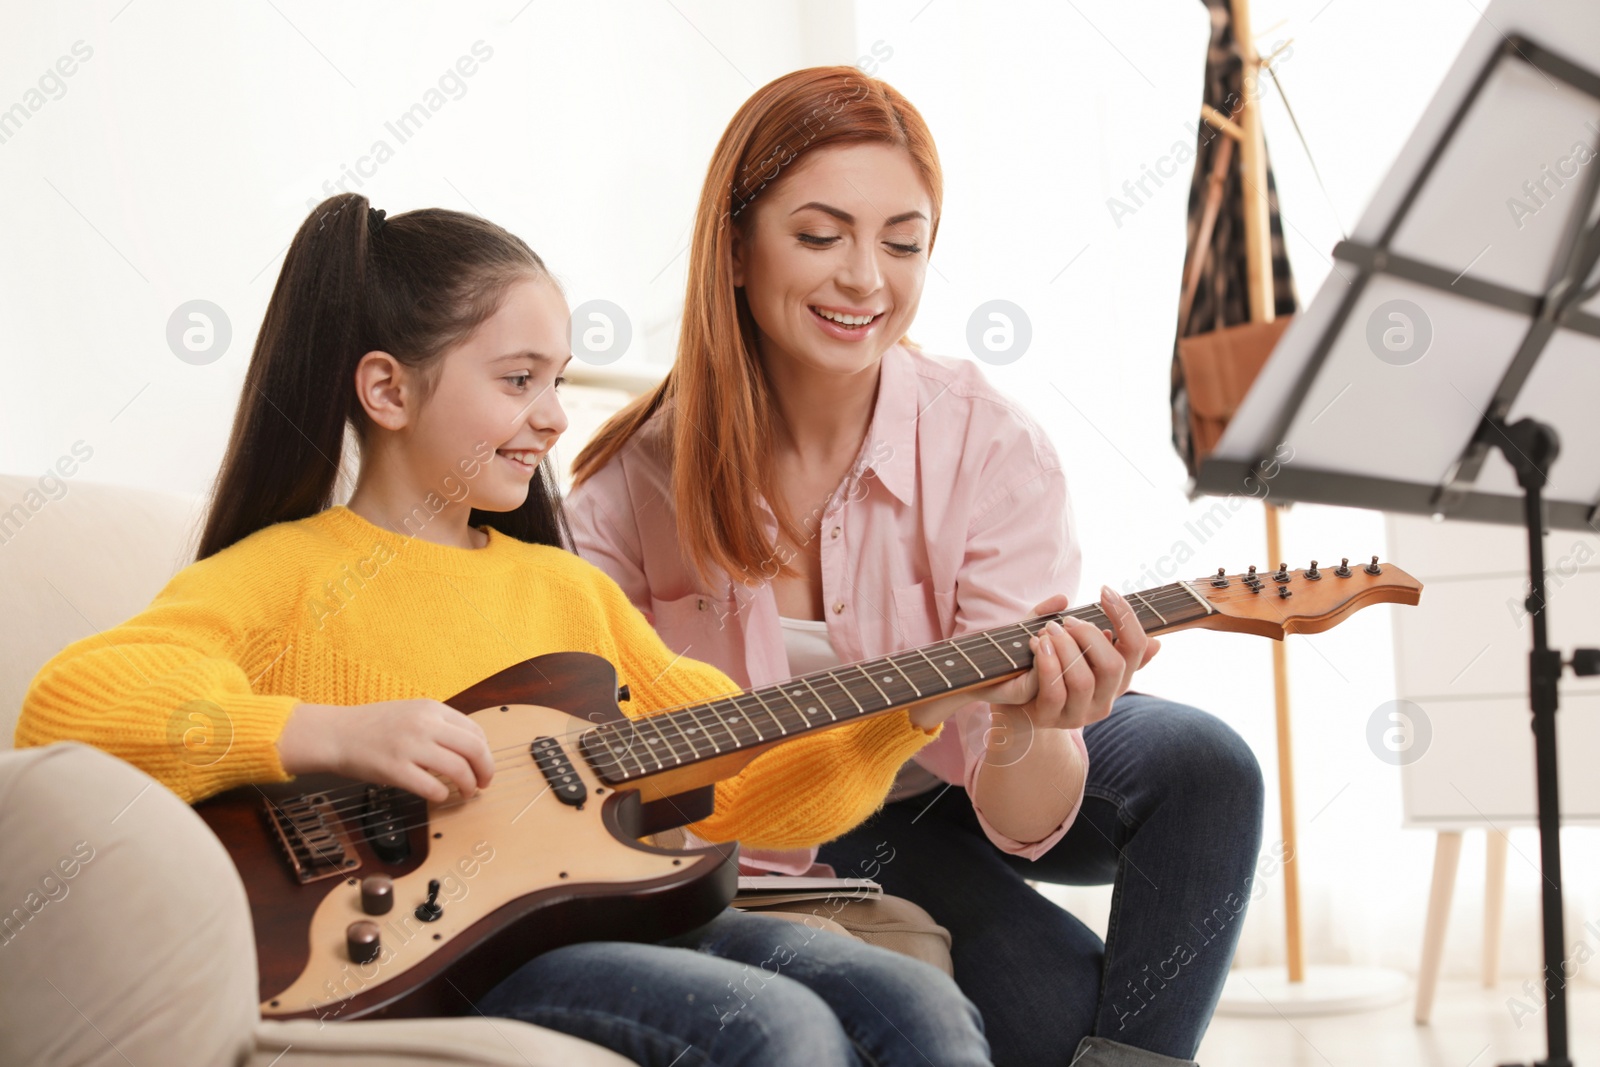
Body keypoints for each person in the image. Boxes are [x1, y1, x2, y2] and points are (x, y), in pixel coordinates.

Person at [14, 194, 996, 1067]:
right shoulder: (289, 571)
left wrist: (910, 712)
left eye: (557, 379)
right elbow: (70, 706)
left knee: (915, 999)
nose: (556, 416)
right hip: (443, 947)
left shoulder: (568, 592)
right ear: (389, 391)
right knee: (776, 1030)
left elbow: (735, 775)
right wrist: (329, 732)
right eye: (518, 379)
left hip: (608, 915)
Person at [567, 67, 1265, 1067]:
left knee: (1203, 762)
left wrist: (1030, 721)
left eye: (903, 241)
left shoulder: (987, 443)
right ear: (732, 245)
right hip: (800, 817)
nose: (867, 278)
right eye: (820, 235)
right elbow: (602, 770)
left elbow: (1019, 805)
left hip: (967, 768)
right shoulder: (624, 490)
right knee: (1057, 1021)